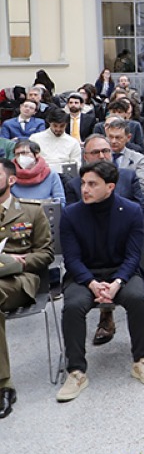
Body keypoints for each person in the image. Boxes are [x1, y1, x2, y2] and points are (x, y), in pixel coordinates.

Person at [56, 161, 144, 402]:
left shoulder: (132, 211)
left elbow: (134, 255)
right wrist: (92, 283)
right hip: (84, 275)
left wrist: (116, 283)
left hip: (122, 272)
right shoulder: (71, 214)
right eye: (83, 183)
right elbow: (71, 259)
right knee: (72, 306)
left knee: (136, 298)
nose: (85, 189)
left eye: (92, 184)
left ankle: (140, 360)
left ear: (110, 187)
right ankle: (76, 371)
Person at [0, 158, 54, 419]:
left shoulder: (31, 211)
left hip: (20, 280)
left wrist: (19, 263)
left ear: (11, 180)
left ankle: (2, 385)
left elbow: (46, 254)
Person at [106, 117, 144, 195]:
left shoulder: (137, 158)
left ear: (128, 137)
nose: (113, 141)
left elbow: (143, 186)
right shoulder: (100, 156)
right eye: (111, 137)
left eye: (118, 137)